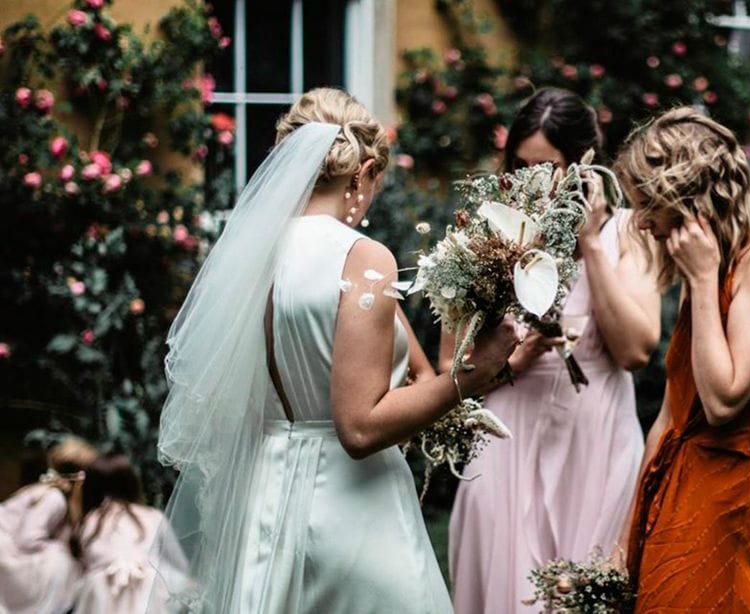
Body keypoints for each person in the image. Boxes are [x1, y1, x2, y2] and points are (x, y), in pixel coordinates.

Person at [152, 88, 517, 613]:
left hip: (266, 496)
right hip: (349, 512)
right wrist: (472, 375)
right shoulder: (361, 258)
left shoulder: (251, 255)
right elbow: (360, 426)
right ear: (363, 170)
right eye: (374, 182)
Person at [444, 88, 662, 613]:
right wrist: (512, 359)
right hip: (507, 432)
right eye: (521, 168)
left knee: (582, 594)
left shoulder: (627, 233)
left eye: (549, 168)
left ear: (586, 165)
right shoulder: (487, 236)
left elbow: (635, 350)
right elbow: (448, 371)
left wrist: (590, 243)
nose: (533, 184)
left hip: (596, 436)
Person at [615, 107, 750, 612]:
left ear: (686, 198)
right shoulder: (704, 270)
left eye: (648, 205)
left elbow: (724, 401)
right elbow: (667, 417)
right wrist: (625, 539)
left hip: (726, 505)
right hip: (670, 493)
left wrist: (704, 283)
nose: (640, 221)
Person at [72, 453, 188, 613]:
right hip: (148, 591)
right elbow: (178, 562)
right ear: (132, 483)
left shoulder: (89, 522)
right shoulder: (153, 516)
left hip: (102, 595)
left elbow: (82, 564)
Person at [0, 436, 97, 614]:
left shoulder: (44, 491)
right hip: (6, 554)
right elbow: (28, 539)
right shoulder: (54, 498)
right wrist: (60, 549)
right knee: (63, 562)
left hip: (8, 548)